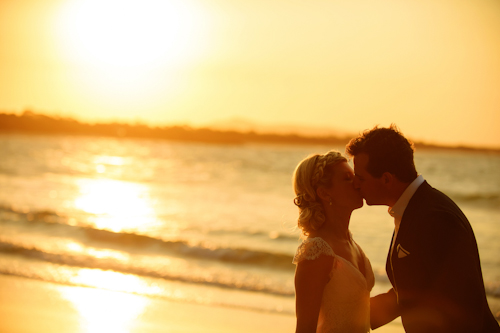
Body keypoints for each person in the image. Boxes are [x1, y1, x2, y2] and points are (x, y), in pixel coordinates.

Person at [346, 125, 500, 333]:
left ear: (386, 179)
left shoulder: (435, 218)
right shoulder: (412, 208)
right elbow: (412, 292)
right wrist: (341, 317)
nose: (355, 184)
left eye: (361, 178)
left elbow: (460, 303)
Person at [292, 150, 374, 333]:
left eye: (355, 176)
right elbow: (304, 329)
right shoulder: (316, 252)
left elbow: (358, 313)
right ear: (324, 193)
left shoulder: (350, 241)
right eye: (347, 178)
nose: (357, 182)